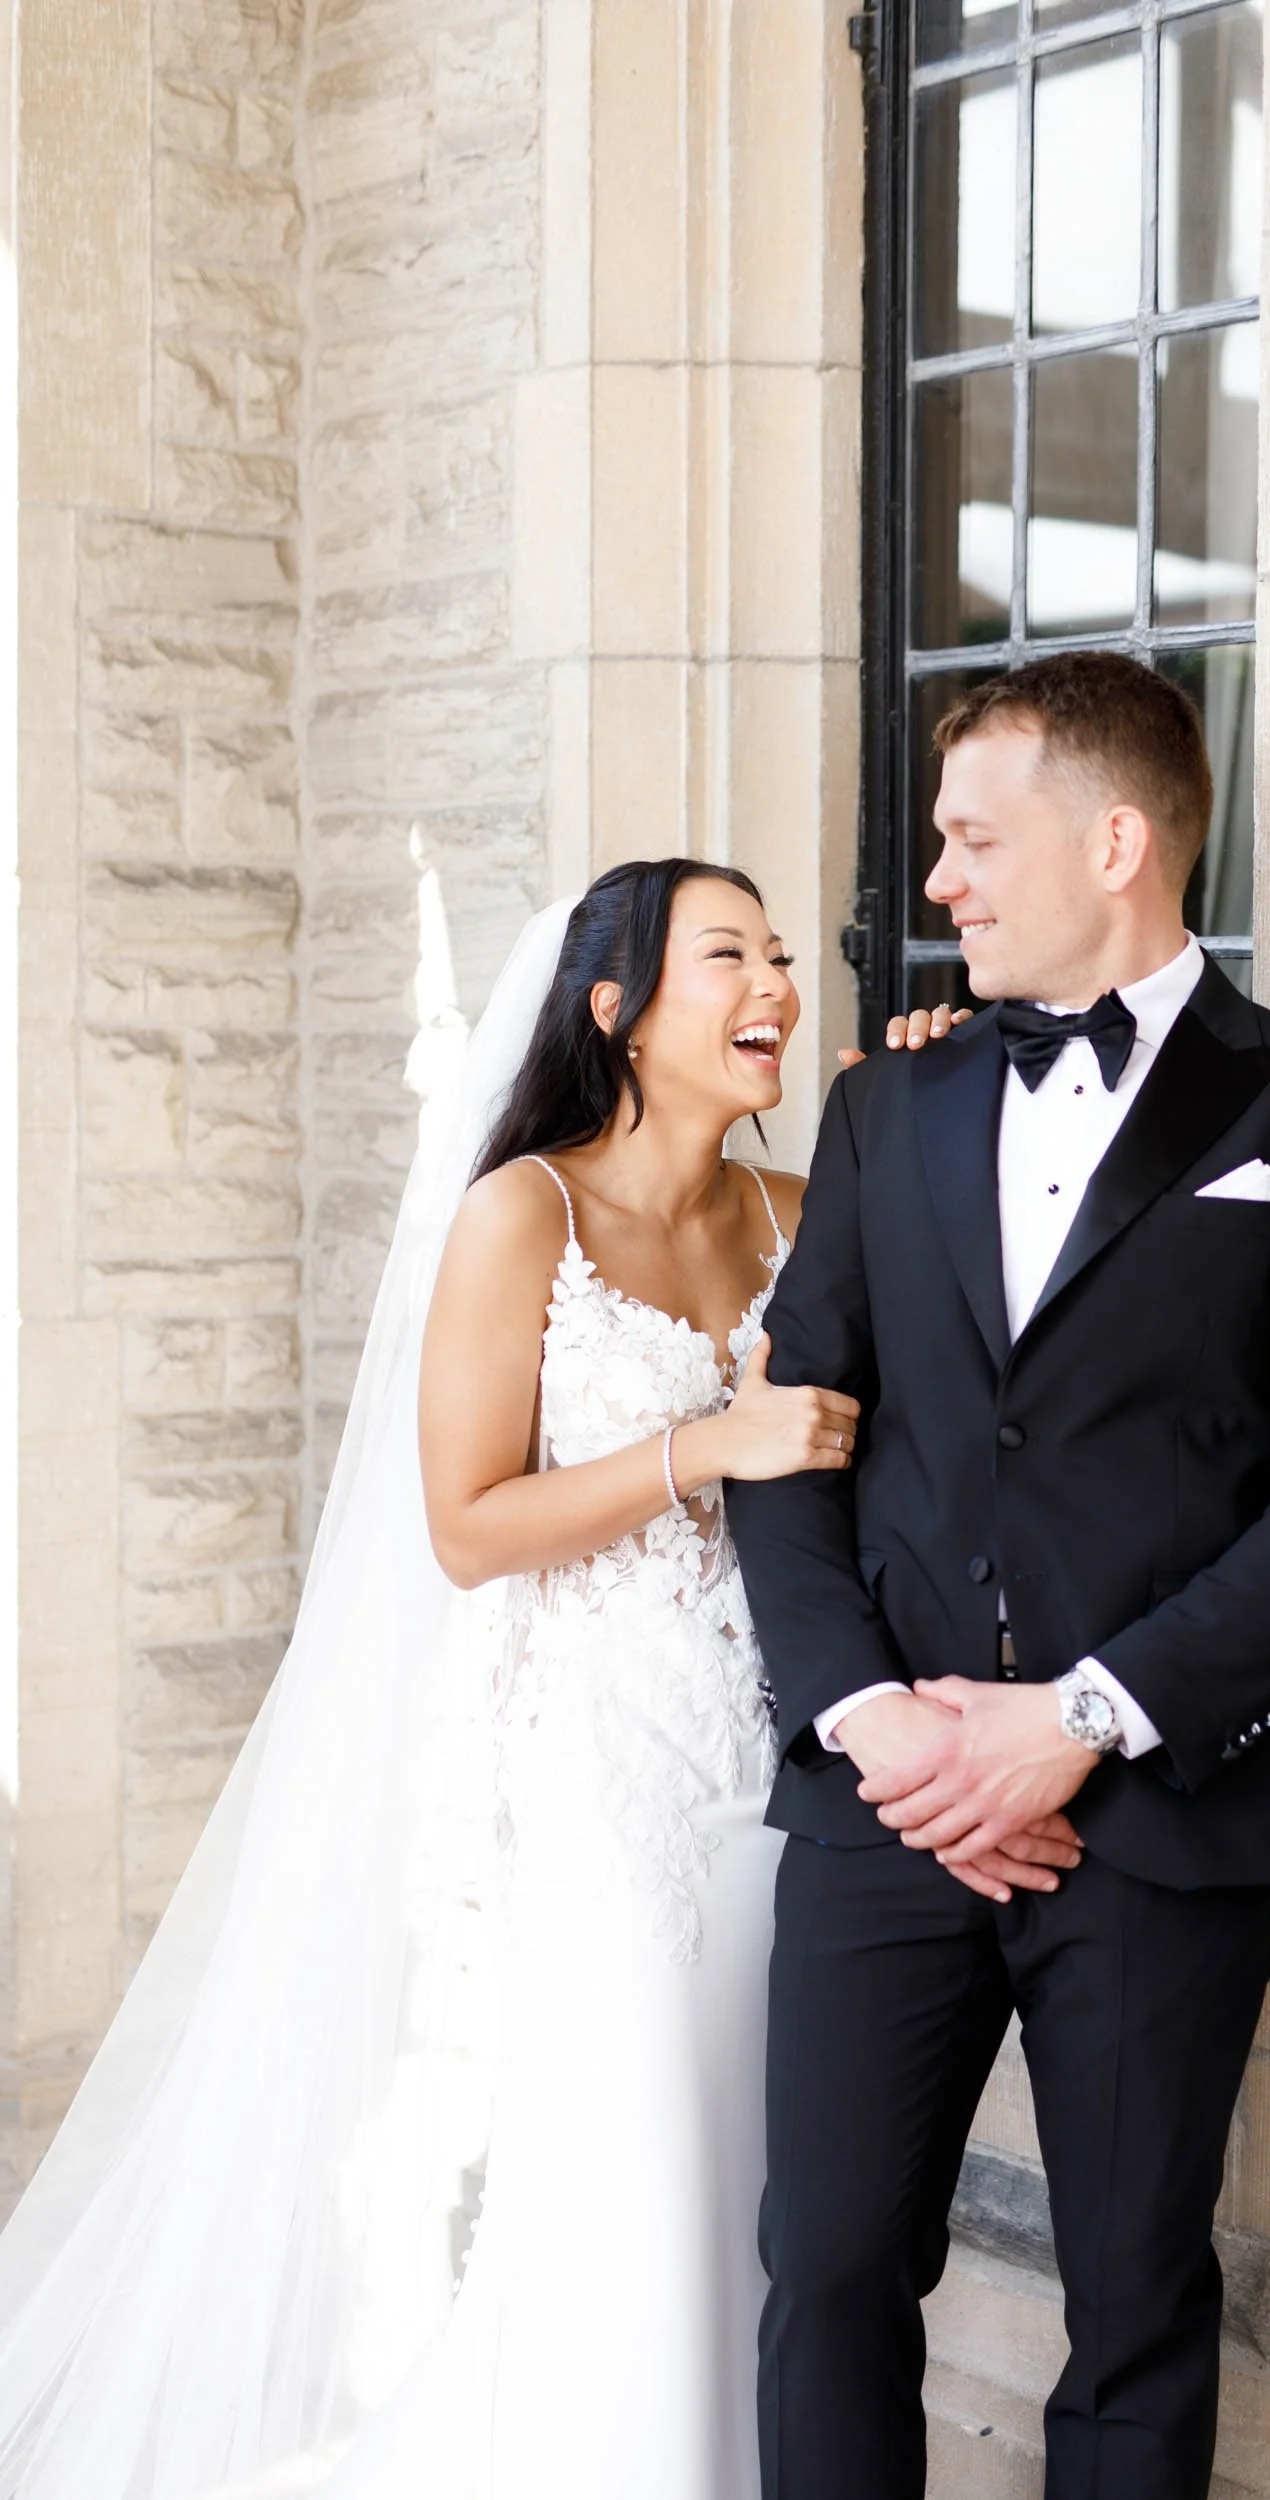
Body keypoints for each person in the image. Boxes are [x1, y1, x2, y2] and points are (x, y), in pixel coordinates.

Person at [0, 857, 990, 2500]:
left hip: (787, 1746)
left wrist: (925, 1110)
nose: (771, 987)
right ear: (616, 1011)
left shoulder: (800, 1211)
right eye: (723, 957)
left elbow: (945, 1400)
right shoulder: (522, 1206)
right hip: (602, 1763)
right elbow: (466, 1522)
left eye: (775, 956)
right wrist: (703, 1444)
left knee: (778, 2170)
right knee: (636, 2161)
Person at [727, 650, 1270, 2500]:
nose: (940, 881)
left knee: (1133, 2299)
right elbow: (788, 1440)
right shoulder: (887, 1110)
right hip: (877, 1800)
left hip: (1160, 1809)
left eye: (973, 837)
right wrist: (884, 1723)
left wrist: (1077, 1719)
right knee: (821, 2272)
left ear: (1115, 838)